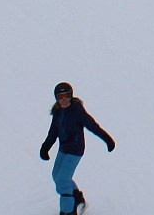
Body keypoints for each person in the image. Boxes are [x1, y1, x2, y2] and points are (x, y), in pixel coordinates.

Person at [39, 81, 114, 215]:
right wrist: (45, 147)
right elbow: (53, 132)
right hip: (63, 149)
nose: (64, 100)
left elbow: (93, 126)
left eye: (66, 96)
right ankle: (77, 198)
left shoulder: (77, 111)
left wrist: (107, 139)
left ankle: (68, 211)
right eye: (60, 97)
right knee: (57, 176)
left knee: (62, 179)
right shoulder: (58, 112)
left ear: (71, 95)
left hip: (75, 150)